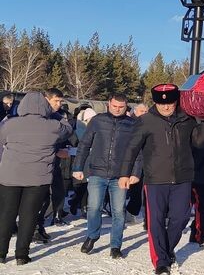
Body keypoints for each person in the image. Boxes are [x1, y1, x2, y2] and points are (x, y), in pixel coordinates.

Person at [118, 84, 204, 275]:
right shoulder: (146, 121)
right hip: (155, 179)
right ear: (155, 102)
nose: (167, 107)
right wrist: (124, 173)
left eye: (170, 103)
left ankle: (167, 250)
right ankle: (161, 260)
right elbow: (131, 149)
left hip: (183, 177)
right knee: (156, 220)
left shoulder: (187, 119)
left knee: (181, 217)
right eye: (162, 104)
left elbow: (200, 143)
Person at [0, 92, 73, 264]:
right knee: (29, 216)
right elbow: (68, 130)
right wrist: (54, 113)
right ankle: (21, 255)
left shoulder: (10, 124)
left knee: (6, 215)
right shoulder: (52, 126)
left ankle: (1, 253)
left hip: (10, 176)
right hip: (38, 179)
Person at [72, 93, 139, 259]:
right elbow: (84, 145)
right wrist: (78, 166)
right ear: (109, 104)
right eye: (114, 106)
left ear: (126, 107)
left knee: (118, 211)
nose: (117, 109)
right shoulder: (98, 121)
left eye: (121, 107)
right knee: (94, 207)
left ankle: (115, 245)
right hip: (97, 172)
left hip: (120, 175)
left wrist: (135, 172)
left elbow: (138, 152)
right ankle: (92, 235)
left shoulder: (132, 124)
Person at [35, 88, 73, 239]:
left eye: (61, 101)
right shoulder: (39, 117)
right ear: (46, 99)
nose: (59, 104)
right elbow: (40, 140)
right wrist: (56, 151)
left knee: (57, 194)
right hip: (40, 164)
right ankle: (35, 228)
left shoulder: (56, 117)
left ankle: (39, 224)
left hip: (54, 164)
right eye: (56, 101)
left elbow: (62, 134)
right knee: (40, 197)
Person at [125, 103, 149, 224]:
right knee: (135, 189)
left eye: (146, 111)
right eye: (142, 111)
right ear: (135, 111)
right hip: (133, 161)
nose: (144, 113)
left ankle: (141, 214)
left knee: (144, 190)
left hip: (146, 160)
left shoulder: (148, 123)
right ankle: (130, 211)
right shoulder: (130, 123)